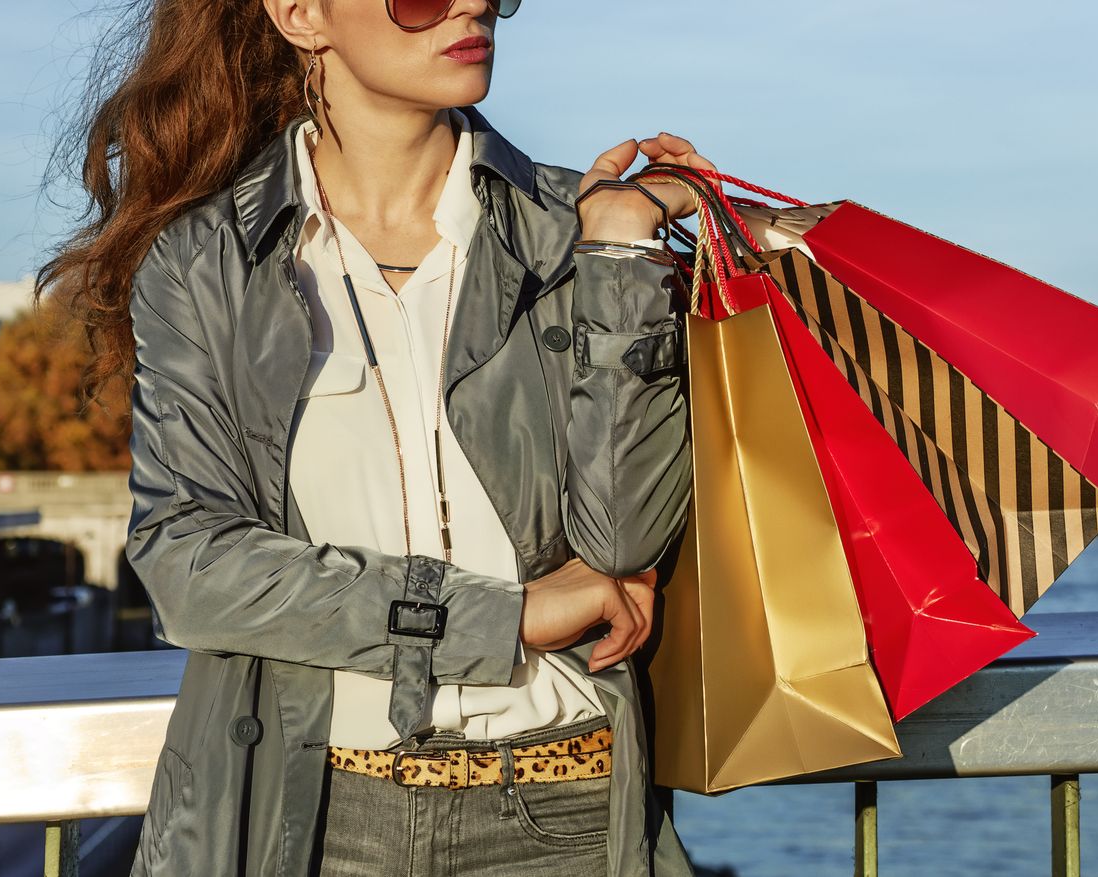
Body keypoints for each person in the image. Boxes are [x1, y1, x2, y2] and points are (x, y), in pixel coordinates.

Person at [41, 0, 711, 873]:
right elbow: (189, 562)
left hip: (569, 811)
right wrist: (500, 617)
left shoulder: (573, 230)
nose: (472, 4)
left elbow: (624, 539)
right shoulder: (208, 261)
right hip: (312, 818)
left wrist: (621, 252)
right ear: (301, 16)